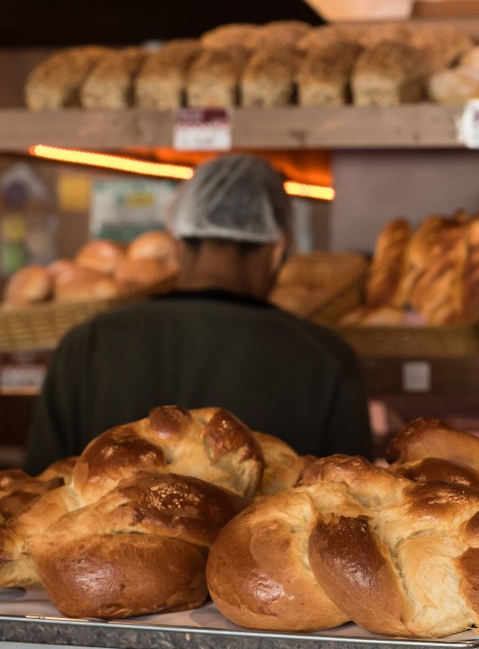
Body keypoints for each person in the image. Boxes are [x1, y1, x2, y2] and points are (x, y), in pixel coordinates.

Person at [24, 154, 373, 473]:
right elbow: (350, 501)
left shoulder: (86, 345)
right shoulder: (325, 359)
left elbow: (39, 491)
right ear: (277, 249)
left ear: (177, 242)